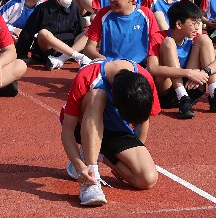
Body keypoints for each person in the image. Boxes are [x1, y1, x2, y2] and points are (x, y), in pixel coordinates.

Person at [60, 58, 160, 206]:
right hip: (84, 124)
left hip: (117, 130)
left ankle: (99, 153)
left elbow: (143, 120)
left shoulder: (144, 80)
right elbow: (67, 131)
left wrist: (127, 163)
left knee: (146, 179)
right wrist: (80, 167)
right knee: (97, 95)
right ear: (114, 97)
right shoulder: (87, 76)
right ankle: (91, 179)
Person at [148, 0, 216, 119]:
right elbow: (152, 68)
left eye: (198, 23)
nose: (197, 27)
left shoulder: (195, 37)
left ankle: (214, 93)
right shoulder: (159, 37)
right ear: (179, 24)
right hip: (167, 92)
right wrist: (189, 73)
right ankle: (182, 97)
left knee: (204, 38)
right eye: (193, 23)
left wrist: (204, 72)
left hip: (191, 87)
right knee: (168, 42)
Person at [83, 0, 164, 66]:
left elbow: (156, 45)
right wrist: (105, 61)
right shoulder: (103, 14)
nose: (111, 0)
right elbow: (89, 48)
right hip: (110, 66)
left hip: (138, 67)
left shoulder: (146, 14)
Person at [16, 0, 92, 70]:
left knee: (90, 32)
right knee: (43, 33)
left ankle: (62, 59)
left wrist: (80, 46)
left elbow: (78, 30)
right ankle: (76, 56)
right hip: (49, 48)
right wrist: (22, 55)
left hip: (69, 46)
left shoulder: (74, 7)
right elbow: (27, 33)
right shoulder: (42, 9)